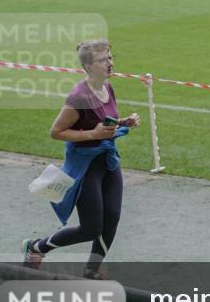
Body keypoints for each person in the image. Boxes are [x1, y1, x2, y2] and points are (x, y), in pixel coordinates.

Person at [23, 39, 140, 279]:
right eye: (103, 60)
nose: (110, 63)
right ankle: (37, 247)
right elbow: (56, 132)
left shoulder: (108, 87)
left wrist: (123, 123)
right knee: (91, 228)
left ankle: (91, 270)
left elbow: (103, 120)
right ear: (88, 66)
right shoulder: (79, 97)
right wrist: (93, 134)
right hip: (85, 168)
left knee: (113, 219)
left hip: (108, 162)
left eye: (110, 57)